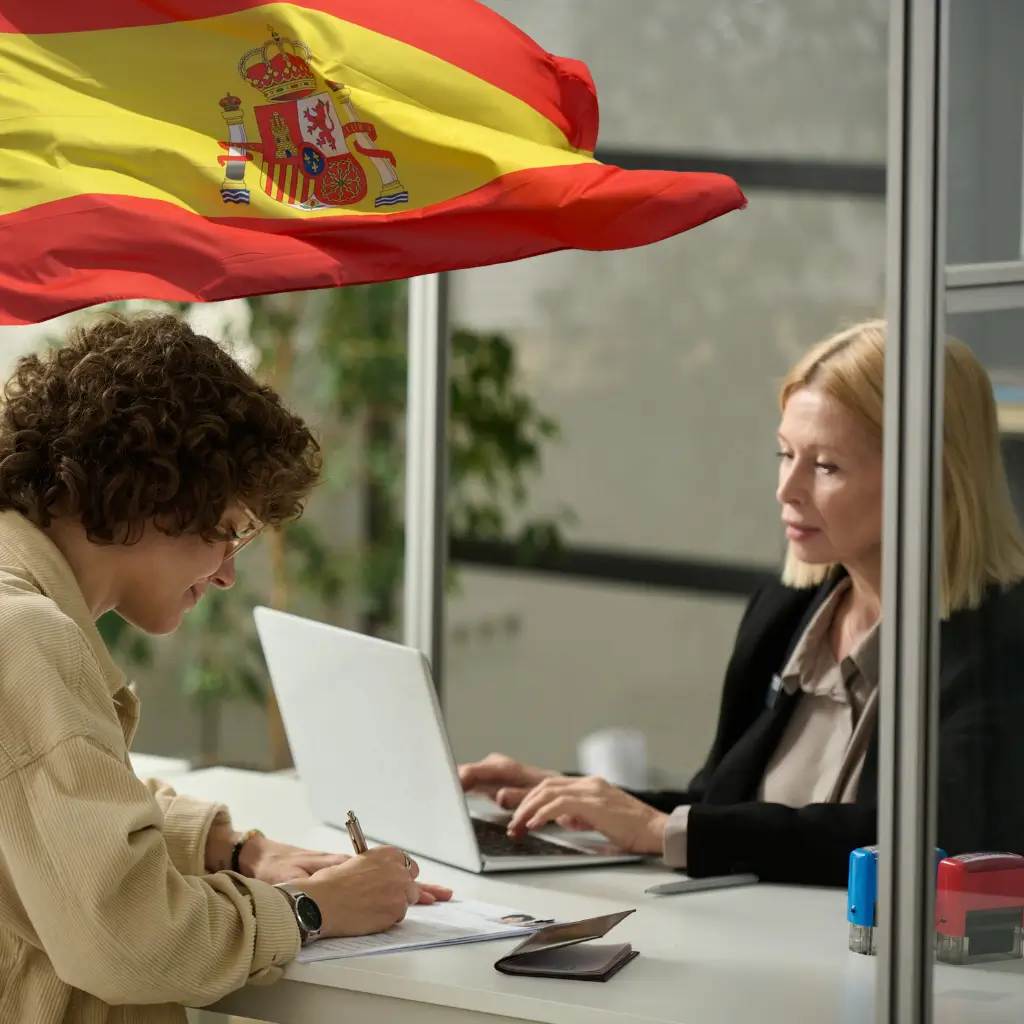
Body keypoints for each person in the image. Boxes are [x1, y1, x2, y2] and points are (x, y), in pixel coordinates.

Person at [0, 313, 452, 1024]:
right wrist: (311, 909)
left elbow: (48, 801)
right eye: (235, 529)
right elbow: (130, 940)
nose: (228, 576)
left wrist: (233, 849)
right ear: (153, 492)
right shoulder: (23, 636)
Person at [460, 320, 1024, 886]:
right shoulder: (786, 610)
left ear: (931, 478)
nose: (787, 488)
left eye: (825, 465)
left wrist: (665, 832)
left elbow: (931, 838)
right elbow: (722, 804)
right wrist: (568, 795)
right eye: (785, 455)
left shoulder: (1003, 642)